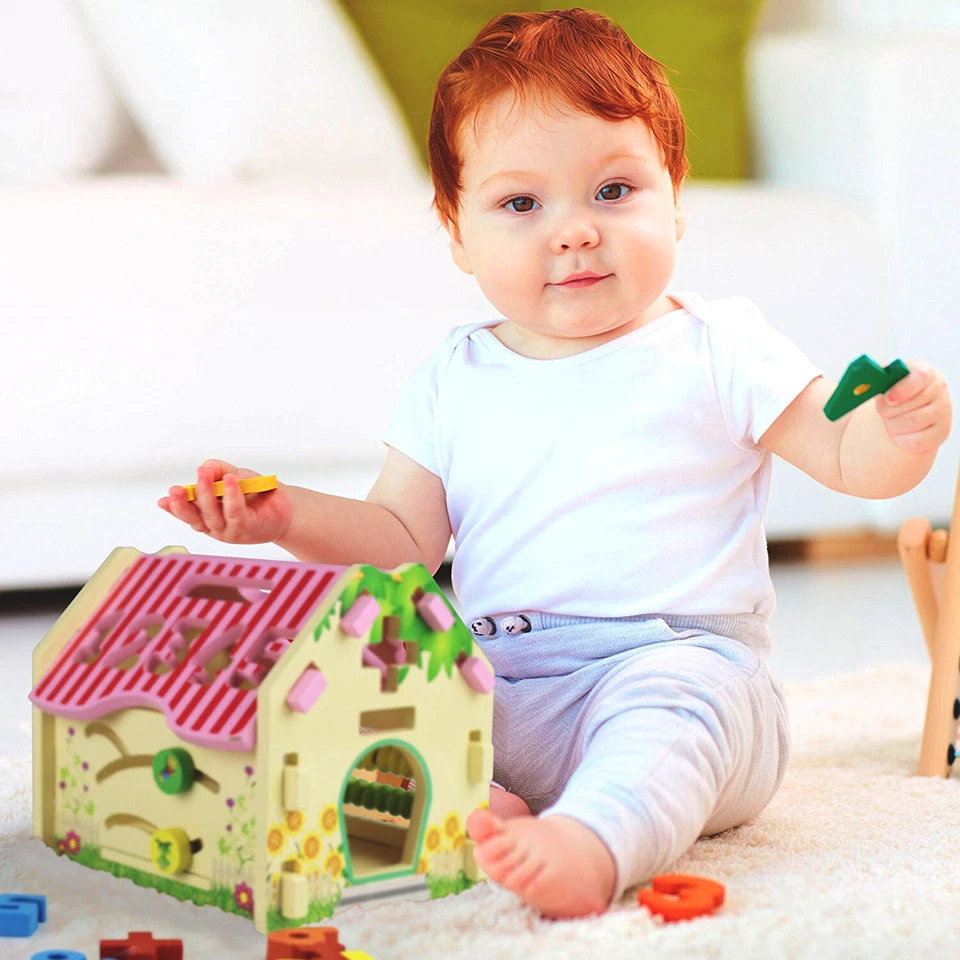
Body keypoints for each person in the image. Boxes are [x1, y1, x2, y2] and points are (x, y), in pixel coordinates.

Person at [159, 8, 952, 920]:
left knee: (670, 715)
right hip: (495, 674)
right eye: (523, 204)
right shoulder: (453, 375)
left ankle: (595, 840)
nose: (574, 231)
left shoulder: (720, 345)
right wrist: (286, 517)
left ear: (675, 199)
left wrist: (898, 433)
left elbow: (851, 463)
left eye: (613, 192)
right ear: (457, 232)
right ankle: (476, 806)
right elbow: (400, 544)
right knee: (352, 688)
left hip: (677, 662)